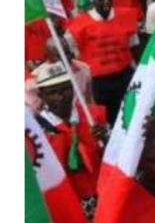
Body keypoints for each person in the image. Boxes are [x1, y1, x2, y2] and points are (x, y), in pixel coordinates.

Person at [33, 61, 108, 220]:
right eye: (53, 92)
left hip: (101, 191)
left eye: (65, 89)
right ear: (42, 96)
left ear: (73, 88)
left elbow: (113, 156)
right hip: (68, 198)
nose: (61, 96)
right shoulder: (36, 131)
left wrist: (105, 139)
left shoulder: (94, 115)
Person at [65, 0, 139, 125]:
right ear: (93, 1)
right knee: (106, 117)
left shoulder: (125, 16)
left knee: (129, 113)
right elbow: (70, 52)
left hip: (124, 75)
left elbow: (134, 45)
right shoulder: (78, 24)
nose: (106, 2)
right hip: (98, 81)